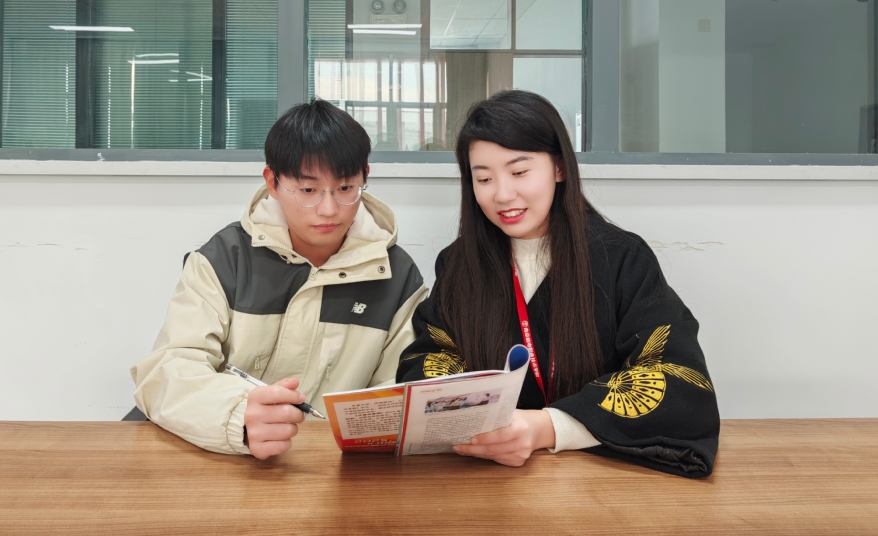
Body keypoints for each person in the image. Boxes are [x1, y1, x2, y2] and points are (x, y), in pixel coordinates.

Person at [397, 90, 720, 477]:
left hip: (599, 479)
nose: (502, 194)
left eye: (519, 172)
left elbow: (676, 378)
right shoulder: (460, 264)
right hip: (483, 476)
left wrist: (544, 428)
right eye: (483, 178)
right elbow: (429, 361)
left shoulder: (622, 258)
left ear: (559, 168)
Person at [133, 99, 428, 459]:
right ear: (273, 182)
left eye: (345, 188)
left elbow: (400, 392)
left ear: (364, 177)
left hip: (332, 465)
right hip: (222, 454)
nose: (329, 210)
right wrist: (238, 417)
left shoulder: (397, 276)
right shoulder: (225, 259)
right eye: (308, 191)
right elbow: (168, 370)